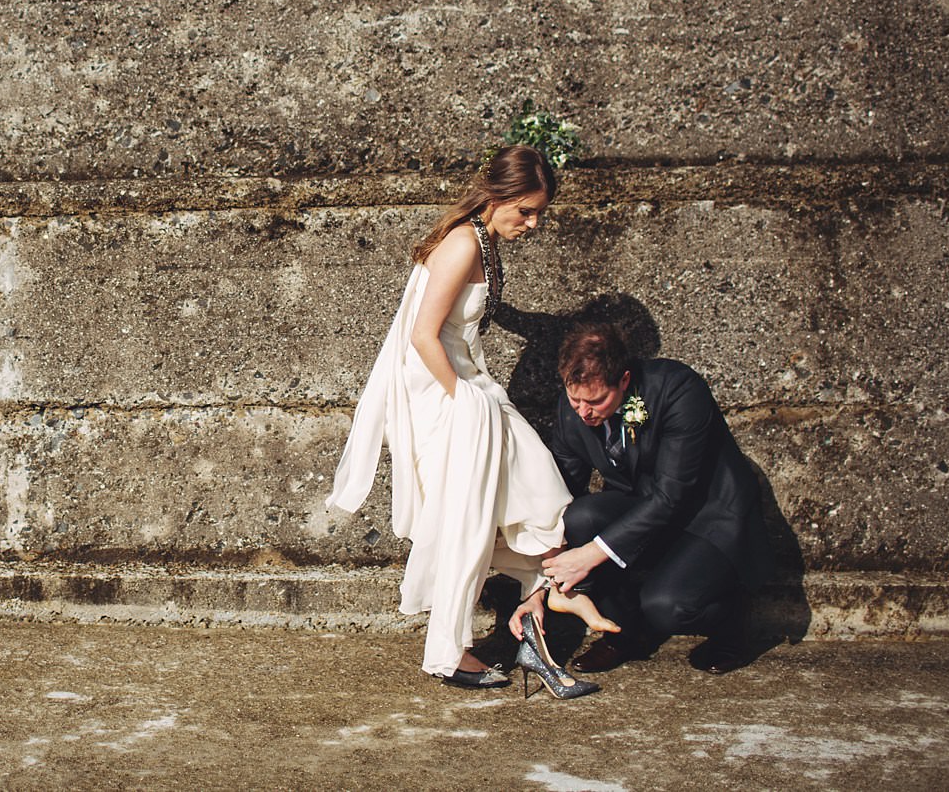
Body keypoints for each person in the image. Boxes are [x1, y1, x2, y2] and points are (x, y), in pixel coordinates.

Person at [327, 145, 613, 694]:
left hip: (471, 389)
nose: (532, 224)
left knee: (536, 494)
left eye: (539, 214)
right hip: (450, 396)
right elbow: (422, 334)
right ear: (497, 195)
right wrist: (463, 398)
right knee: (468, 518)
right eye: (526, 211)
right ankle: (448, 652)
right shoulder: (462, 243)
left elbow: (470, 311)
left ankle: (540, 599)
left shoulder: (479, 240)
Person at [514, 321, 773, 674]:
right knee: (578, 518)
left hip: (709, 517)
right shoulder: (572, 409)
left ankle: (731, 624)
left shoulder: (678, 389)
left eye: (596, 401)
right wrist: (538, 590)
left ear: (623, 381)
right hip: (642, 512)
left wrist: (590, 555)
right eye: (575, 399)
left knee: (666, 607)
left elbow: (672, 494)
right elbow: (559, 497)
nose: (583, 412)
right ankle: (624, 635)